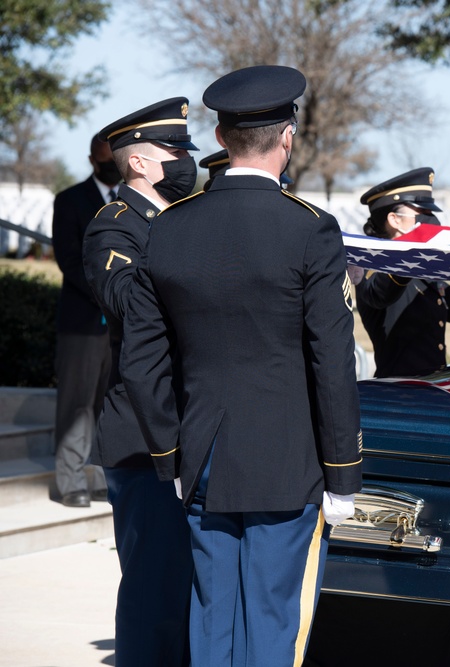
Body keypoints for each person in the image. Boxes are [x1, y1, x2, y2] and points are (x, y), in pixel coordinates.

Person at [120, 65, 362, 667]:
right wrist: (344, 473)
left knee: (213, 613)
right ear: (287, 137)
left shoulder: (167, 229)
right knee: (275, 618)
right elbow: (332, 359)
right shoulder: (310, 229)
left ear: (222, 139)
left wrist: (168, 455)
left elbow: (144, 358)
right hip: (289, 462)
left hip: (201, 456)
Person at [81, 97, 200, 666]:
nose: (185, 162)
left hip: (191, 424)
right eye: (173, 152)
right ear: (139, 165)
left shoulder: (178, 222)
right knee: (154, 585)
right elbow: (130, 305)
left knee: (189, 587)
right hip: (143, 436)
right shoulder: (113, 228)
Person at [356, 167, 450, 377]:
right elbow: (380, 293)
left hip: (432, 389)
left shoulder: (425, 273)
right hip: (398, 393)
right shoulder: (374, 267)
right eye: (423, 213)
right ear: (395, 220)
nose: (431, 221)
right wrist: (412, 250)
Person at [51, 134, 118, 507]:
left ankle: (99, 478)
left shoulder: (127, 203)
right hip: (83, 322)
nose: (111, 165)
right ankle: (70, 480)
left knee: (108, 406)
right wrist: (109, 293)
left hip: (119, 326)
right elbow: (69, 260)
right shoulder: (70, 200)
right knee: (76, 404)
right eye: (105, 158)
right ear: (92, 159)